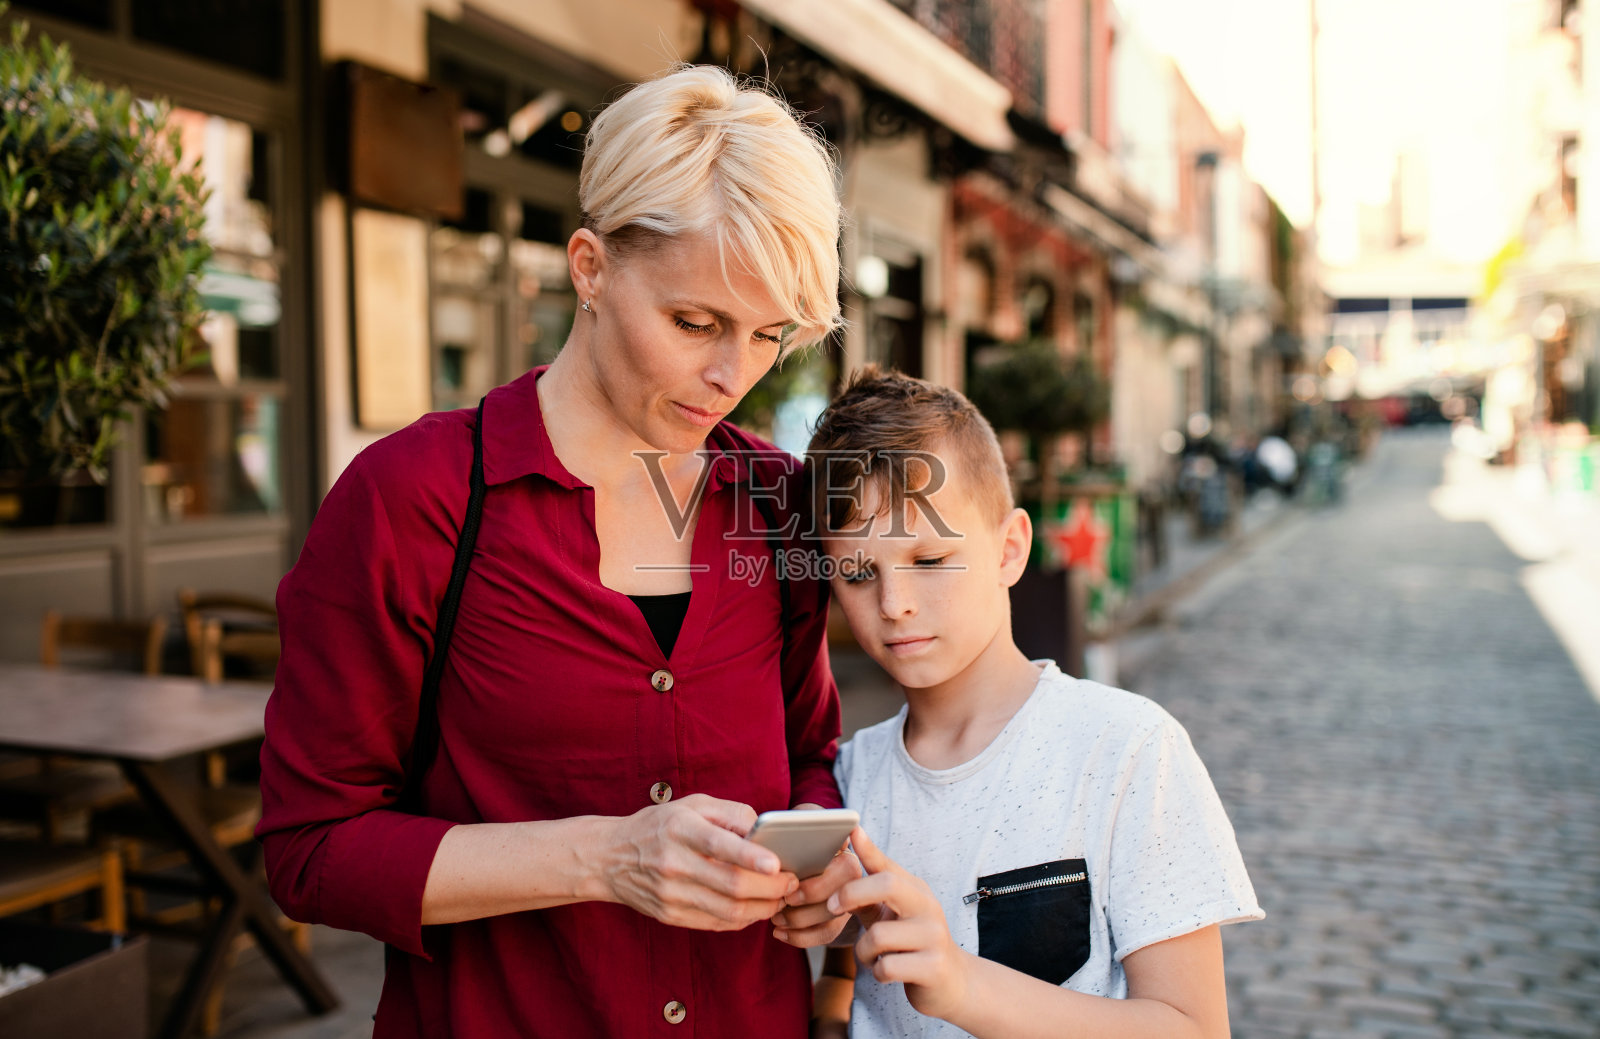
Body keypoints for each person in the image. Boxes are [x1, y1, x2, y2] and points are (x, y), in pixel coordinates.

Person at [257, 66, 860, 1038]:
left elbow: (809, 755)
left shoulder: (779, 505)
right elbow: (311, 851)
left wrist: (817, 865)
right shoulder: (412, 500)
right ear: (590, 266)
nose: (730, 375)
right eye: (694, 322)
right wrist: (606, 857)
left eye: (767, 335)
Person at [788, 367, 1263, 1039]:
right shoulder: (849, 776)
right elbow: (844, 975)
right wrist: (831, 1017)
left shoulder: (1127, 748)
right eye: (859, 573)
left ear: (1009, 549)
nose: (894, 603)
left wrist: (962, 985)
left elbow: (1194, 1028)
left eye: (929, 560)